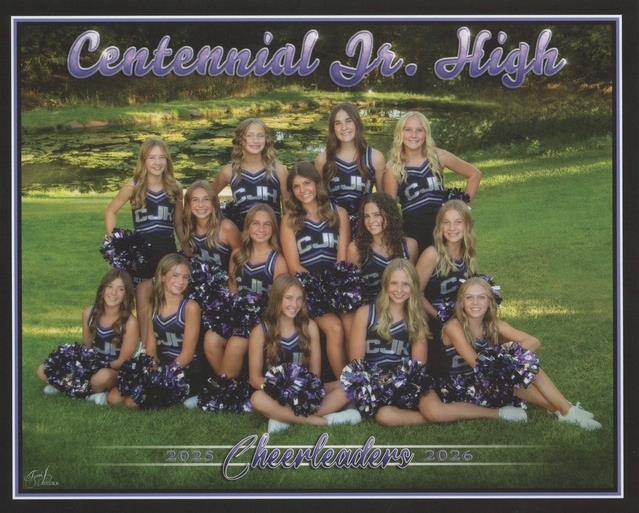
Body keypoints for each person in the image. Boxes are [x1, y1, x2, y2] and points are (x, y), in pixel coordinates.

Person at [339, 259, 525, 426]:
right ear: (385, 284)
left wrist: (398, 383)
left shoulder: (417, 319)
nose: (399, 289)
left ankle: (498, 413)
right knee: (384, 416)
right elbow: (357, 363)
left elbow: (418, 367)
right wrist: (380, 382)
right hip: (375, 382)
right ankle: (447, 417)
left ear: (413, 287)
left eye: (406, 284)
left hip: (406, 383)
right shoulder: (366, 313)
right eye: (394, 283)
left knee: (435, 411)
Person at [437, 277, 602, 430]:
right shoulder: (453, 327)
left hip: (487, 379)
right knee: (512, 373)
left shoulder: (493, 324)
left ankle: (566, 410)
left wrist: (511, 358)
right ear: (461, 302)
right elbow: (476, 363)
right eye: (469, 298)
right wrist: (508, 361)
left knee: (523, 365)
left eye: (481, 297)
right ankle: (565, 409)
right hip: (463, 386)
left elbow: (533, 341)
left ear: (489, 301)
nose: (475, 303)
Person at [249, 274, 361, 433]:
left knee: (350, 384)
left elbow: (315, 373)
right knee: (257, 399)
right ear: (277, 299)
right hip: (277, 394)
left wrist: (302, 389)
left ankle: (283, 418)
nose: (294, 304)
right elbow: (255, 379)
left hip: (305, 391)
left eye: (299, 299)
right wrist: (282, 390)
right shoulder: (260, 331)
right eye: (288, 298)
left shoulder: (309, 326)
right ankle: (324, 421)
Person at [105, 136, 183, 343]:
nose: (157, 162)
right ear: (143, 161)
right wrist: (115, 244)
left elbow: (178, 223)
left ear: (167, 160)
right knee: (142, 300)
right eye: (152, 158)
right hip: (141, 254)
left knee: (167, 297)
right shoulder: (134, 186)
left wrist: (185, 245)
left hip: (167, 251)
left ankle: (165, 340)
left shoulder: (175, 187)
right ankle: (142, 343)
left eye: (162, 157)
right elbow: (111, 211)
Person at [280, 162, 351, 379]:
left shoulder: (339, 213)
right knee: (335, 328)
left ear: (317, 184)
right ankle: (346, 385)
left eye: (307, 183)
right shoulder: (289, 220)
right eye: (296, 187)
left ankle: (362, 377)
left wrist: (334, 286)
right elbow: (293, 265)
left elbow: (342, 258)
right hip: (309, 289)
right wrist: (317, 288)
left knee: (351, 325)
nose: (302, 190)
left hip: (337, 285)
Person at [203, 204, 288, 378]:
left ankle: (223, 386)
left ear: (273, 229)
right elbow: (232, 290)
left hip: (263, 318)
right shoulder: (237, 255)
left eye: (267, 224)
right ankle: (232, 386)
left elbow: (279, 301)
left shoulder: (278, 261)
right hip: (239, 315)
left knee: (235, 344)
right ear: (247, 227)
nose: (261, 229)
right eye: (256, 223)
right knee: (210, 340)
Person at [383, 111, 481, 253]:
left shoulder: (439, 156)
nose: (414, 135)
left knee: (452, 266)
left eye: (419, 130)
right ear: (400, 133)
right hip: (413, 233)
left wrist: (463, 209)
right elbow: (390, 209)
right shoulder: (393, 167)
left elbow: (474, 175)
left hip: (444, 230)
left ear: (426, 133)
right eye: (408, 130)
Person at [37, 270, 139, 405]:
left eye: (120, 289)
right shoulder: (89, 313)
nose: (113, 293)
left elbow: (122, 361)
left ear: (126, 294)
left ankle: (70, 387)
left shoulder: (130, 323)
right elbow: (87, 348)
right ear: (102, 289)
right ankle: (86, 391)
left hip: (113, 370)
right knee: (43, 370)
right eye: (110, 286)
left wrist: (97, 367)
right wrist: (82, 368)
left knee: (101, 378)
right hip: (92, 365)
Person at [120, 253, 204, 409]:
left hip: (185, 370)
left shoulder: (191, 307)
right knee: (116, 397)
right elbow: (151, 349)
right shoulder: (153, 306)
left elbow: (187, 354)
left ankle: (194, 396)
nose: (181, 281)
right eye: (175, 275)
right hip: (163, 366)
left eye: (185, 277)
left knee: (133, 402)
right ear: (163, 276)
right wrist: (151, 371)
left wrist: (164, 375)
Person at [343, 191, 418, 336]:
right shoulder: (356, 249)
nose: (371, 221)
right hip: (370, 319)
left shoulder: (409, 246)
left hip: (402, 316)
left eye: (377, 214)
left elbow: (412, 287)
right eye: (367, 216)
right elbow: (351, 295)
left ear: (390, 214)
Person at [314, 103, 385, 236]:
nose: (344, 127)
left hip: (366, 228)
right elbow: (318, 201)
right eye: (338, 123)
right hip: (334, 227)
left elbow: (383, 202)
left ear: (357, 123)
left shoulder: (374, 158)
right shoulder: (323, 160)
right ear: (332, 128)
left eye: (348, 121)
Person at [212, 118, 289, 229]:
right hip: (242, 236)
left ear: (266, 139)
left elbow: (288, 210)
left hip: (272, 235)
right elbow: (209, 196)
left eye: (260, 136)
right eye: (249, 136)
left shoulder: (279, 170)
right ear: (240, 140)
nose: (255, 140)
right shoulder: (229, 171)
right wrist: (220, 218)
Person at [415, 199, 477, 325]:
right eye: (446, 222)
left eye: (458, 222)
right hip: (435, 322)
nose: (452, 228)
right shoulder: (432, 254)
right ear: (440, 226)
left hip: (461, 319)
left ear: (467, 225)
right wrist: (440, 317)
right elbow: (415, 292)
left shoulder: (467, 253)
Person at [181, 179, 241, 270]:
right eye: (195, 200)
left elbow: (239, 253)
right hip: (196, 277)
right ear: (188, 204)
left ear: (214, 203)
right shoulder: (187, 225)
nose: (200, 205)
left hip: (225, 277)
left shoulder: (226, 227)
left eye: (206, 199)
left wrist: (232, 277)